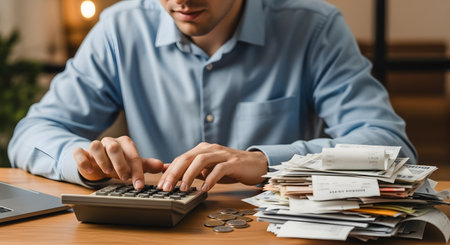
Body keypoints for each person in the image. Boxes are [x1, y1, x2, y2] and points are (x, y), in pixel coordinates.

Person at [8, 0, 417, 193]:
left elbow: (391, 147)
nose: (181, 0)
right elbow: (33, 133)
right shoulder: (120, 29)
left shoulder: (314, 28)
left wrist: (267, 162)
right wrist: (82, 162)